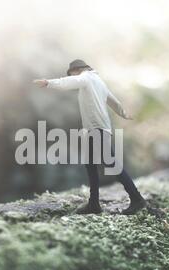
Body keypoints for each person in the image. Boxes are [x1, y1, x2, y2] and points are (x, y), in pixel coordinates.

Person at [33, 59, 146, 214]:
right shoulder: (98, 82)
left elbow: (69, 82)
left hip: (97, 128)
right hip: (98, 128)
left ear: (77, 70)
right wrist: (123, 113)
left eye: (71, 72)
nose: (72, 74)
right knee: (90, 163)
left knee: (111, 163)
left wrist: (48, 83)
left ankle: (137, 199)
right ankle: (94, 203)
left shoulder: (86, 78)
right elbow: (112, 101)